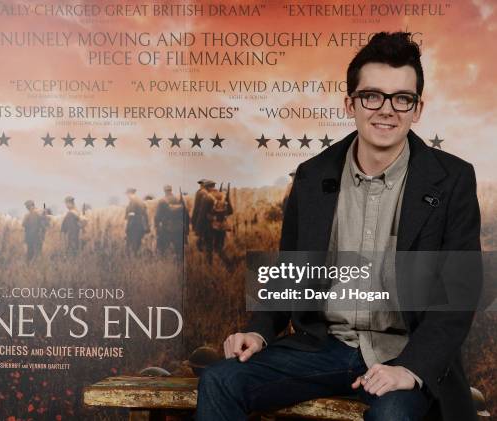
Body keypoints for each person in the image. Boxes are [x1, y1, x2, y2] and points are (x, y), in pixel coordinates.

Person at [197, 31, 482, 421]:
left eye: (402, 98)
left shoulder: (453, 179)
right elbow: (290, 272)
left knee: (394, 415)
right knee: (220, 380)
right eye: (372, 96)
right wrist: (259, 332)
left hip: (404, 352)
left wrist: (411, 369)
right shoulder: (312, 176)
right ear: (350, 102)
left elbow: (459, 294)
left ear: (417, 109)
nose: (387, 110)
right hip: (324, 347)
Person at [154, 185, 187, 257]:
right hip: (179, 228)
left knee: (162, 249)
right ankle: (178, 264)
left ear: (164, 191)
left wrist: (156, 226)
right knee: (179, 250)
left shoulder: (162, 201)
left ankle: (164, 264)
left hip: (166, 228)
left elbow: (157, 216)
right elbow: (185, 214)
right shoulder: (178, 200)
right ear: (171, 190)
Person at [124, 188, 149, 255]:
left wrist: (126, 229)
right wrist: (147, 228)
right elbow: (145, 215)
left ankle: (133, 263)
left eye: (127, 195)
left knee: (131, 248)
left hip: (133, 228)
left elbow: (130, 217)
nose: (127, 196)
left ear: (130, 194)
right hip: (141, 228)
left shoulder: (133, 202)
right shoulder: (141, 202)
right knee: (138, 246)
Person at [191, 179, 209, 251]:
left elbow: (196, 206)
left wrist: (194, 217)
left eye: (201, 184)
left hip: (200, 214)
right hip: (206, 214)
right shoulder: (207, 192)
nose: (200, 185)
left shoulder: (200, 192)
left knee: (200, 231)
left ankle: (200, 246)